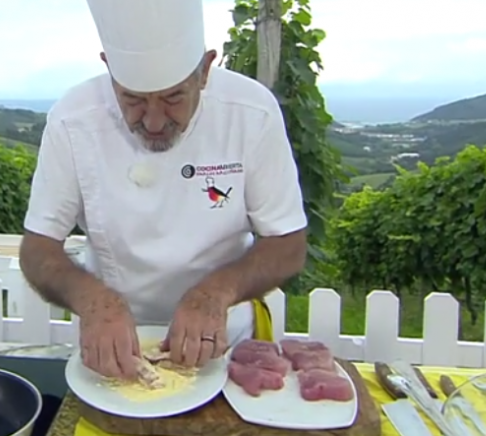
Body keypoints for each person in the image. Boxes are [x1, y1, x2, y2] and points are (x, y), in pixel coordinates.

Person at [18, 0, 308, 380]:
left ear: (205, 71)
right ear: (108, 69)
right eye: (132, 99)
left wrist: (216, 293)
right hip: (115, 352)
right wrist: (93, 301)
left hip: (225, 346)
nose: (153, 122)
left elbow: (287, 243)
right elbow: (38, 249)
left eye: (173, 98)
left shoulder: (252, 112)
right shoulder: (72, 120)